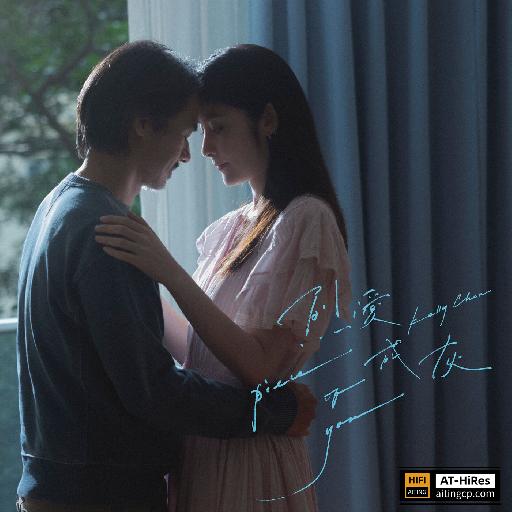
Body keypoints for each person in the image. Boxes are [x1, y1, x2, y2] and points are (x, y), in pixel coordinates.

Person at [15, 41, 316, 512]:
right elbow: (154, 391)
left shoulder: (58, 207)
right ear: (143, 125)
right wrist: (274, 413)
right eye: (186, 131)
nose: (189, 154)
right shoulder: (107, 231)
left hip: (59, 487)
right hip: (102, 497)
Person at [95, 44, 352, 511]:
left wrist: (167, 270)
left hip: (250, 459)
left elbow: (260, 366)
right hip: (206, 447)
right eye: (201, 130)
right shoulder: (232, 229)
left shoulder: (306, 219)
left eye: (218, 127)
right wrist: (134, 275)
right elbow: (198, 348)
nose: (205, 149)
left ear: (267, 120)